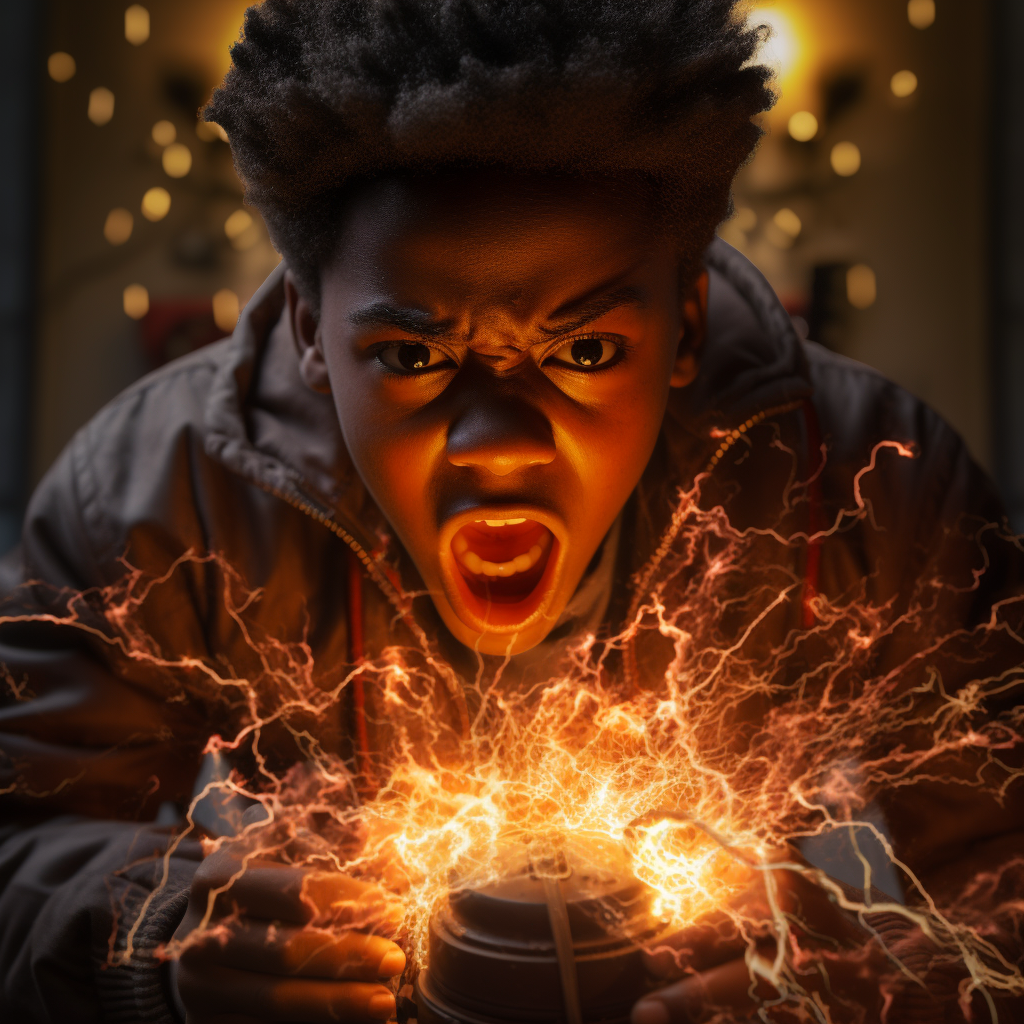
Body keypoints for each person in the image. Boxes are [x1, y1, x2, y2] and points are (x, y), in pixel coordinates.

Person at [1, 1, 1022, 1022]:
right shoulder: (152, 493)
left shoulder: (874, 482)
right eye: (412, 357)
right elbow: (22, 838)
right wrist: (158, 937)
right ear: (312, 331)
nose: (498, 444)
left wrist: (891, 986)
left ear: (684, 323)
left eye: (583, 352)